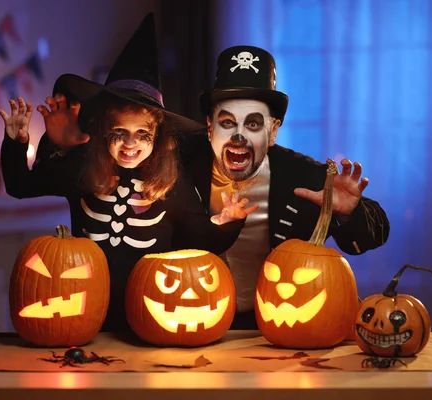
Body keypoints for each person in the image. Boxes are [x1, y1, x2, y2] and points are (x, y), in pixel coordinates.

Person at [31, 45, 391, 330]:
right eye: (227, 122)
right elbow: (113, 148)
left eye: (253, 124)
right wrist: (61, 144)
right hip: (179, 320)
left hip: (271, 329)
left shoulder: (304, 175)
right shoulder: (171, 161)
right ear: (208, 126)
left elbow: (373, 235)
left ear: (274, 129)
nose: (238, 136)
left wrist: (349, 212)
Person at [0, 14, 256, 333]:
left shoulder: (170, 183)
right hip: (82, 312)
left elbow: (201, 240)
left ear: (157, 136)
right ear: (103, 131)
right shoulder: (82, 170)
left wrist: (228, 222)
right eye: (119, 132)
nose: (130, 143)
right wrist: (18, 141)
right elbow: (20, 185)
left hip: (153, 311)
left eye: (142, 134)